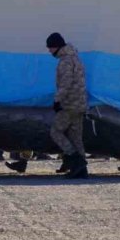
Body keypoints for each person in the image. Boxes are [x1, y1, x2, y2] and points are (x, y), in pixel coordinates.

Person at [45, 32, 88, 179]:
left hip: (69, 105)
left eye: (50, 48)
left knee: (56, 132)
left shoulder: (65, 61)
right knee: (76, 137)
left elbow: (65, 84)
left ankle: (75, 159)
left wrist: (57, 101)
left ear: (57, 46)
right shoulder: (76, 58)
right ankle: (81, 170)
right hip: (80, 104)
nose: (49, 51)